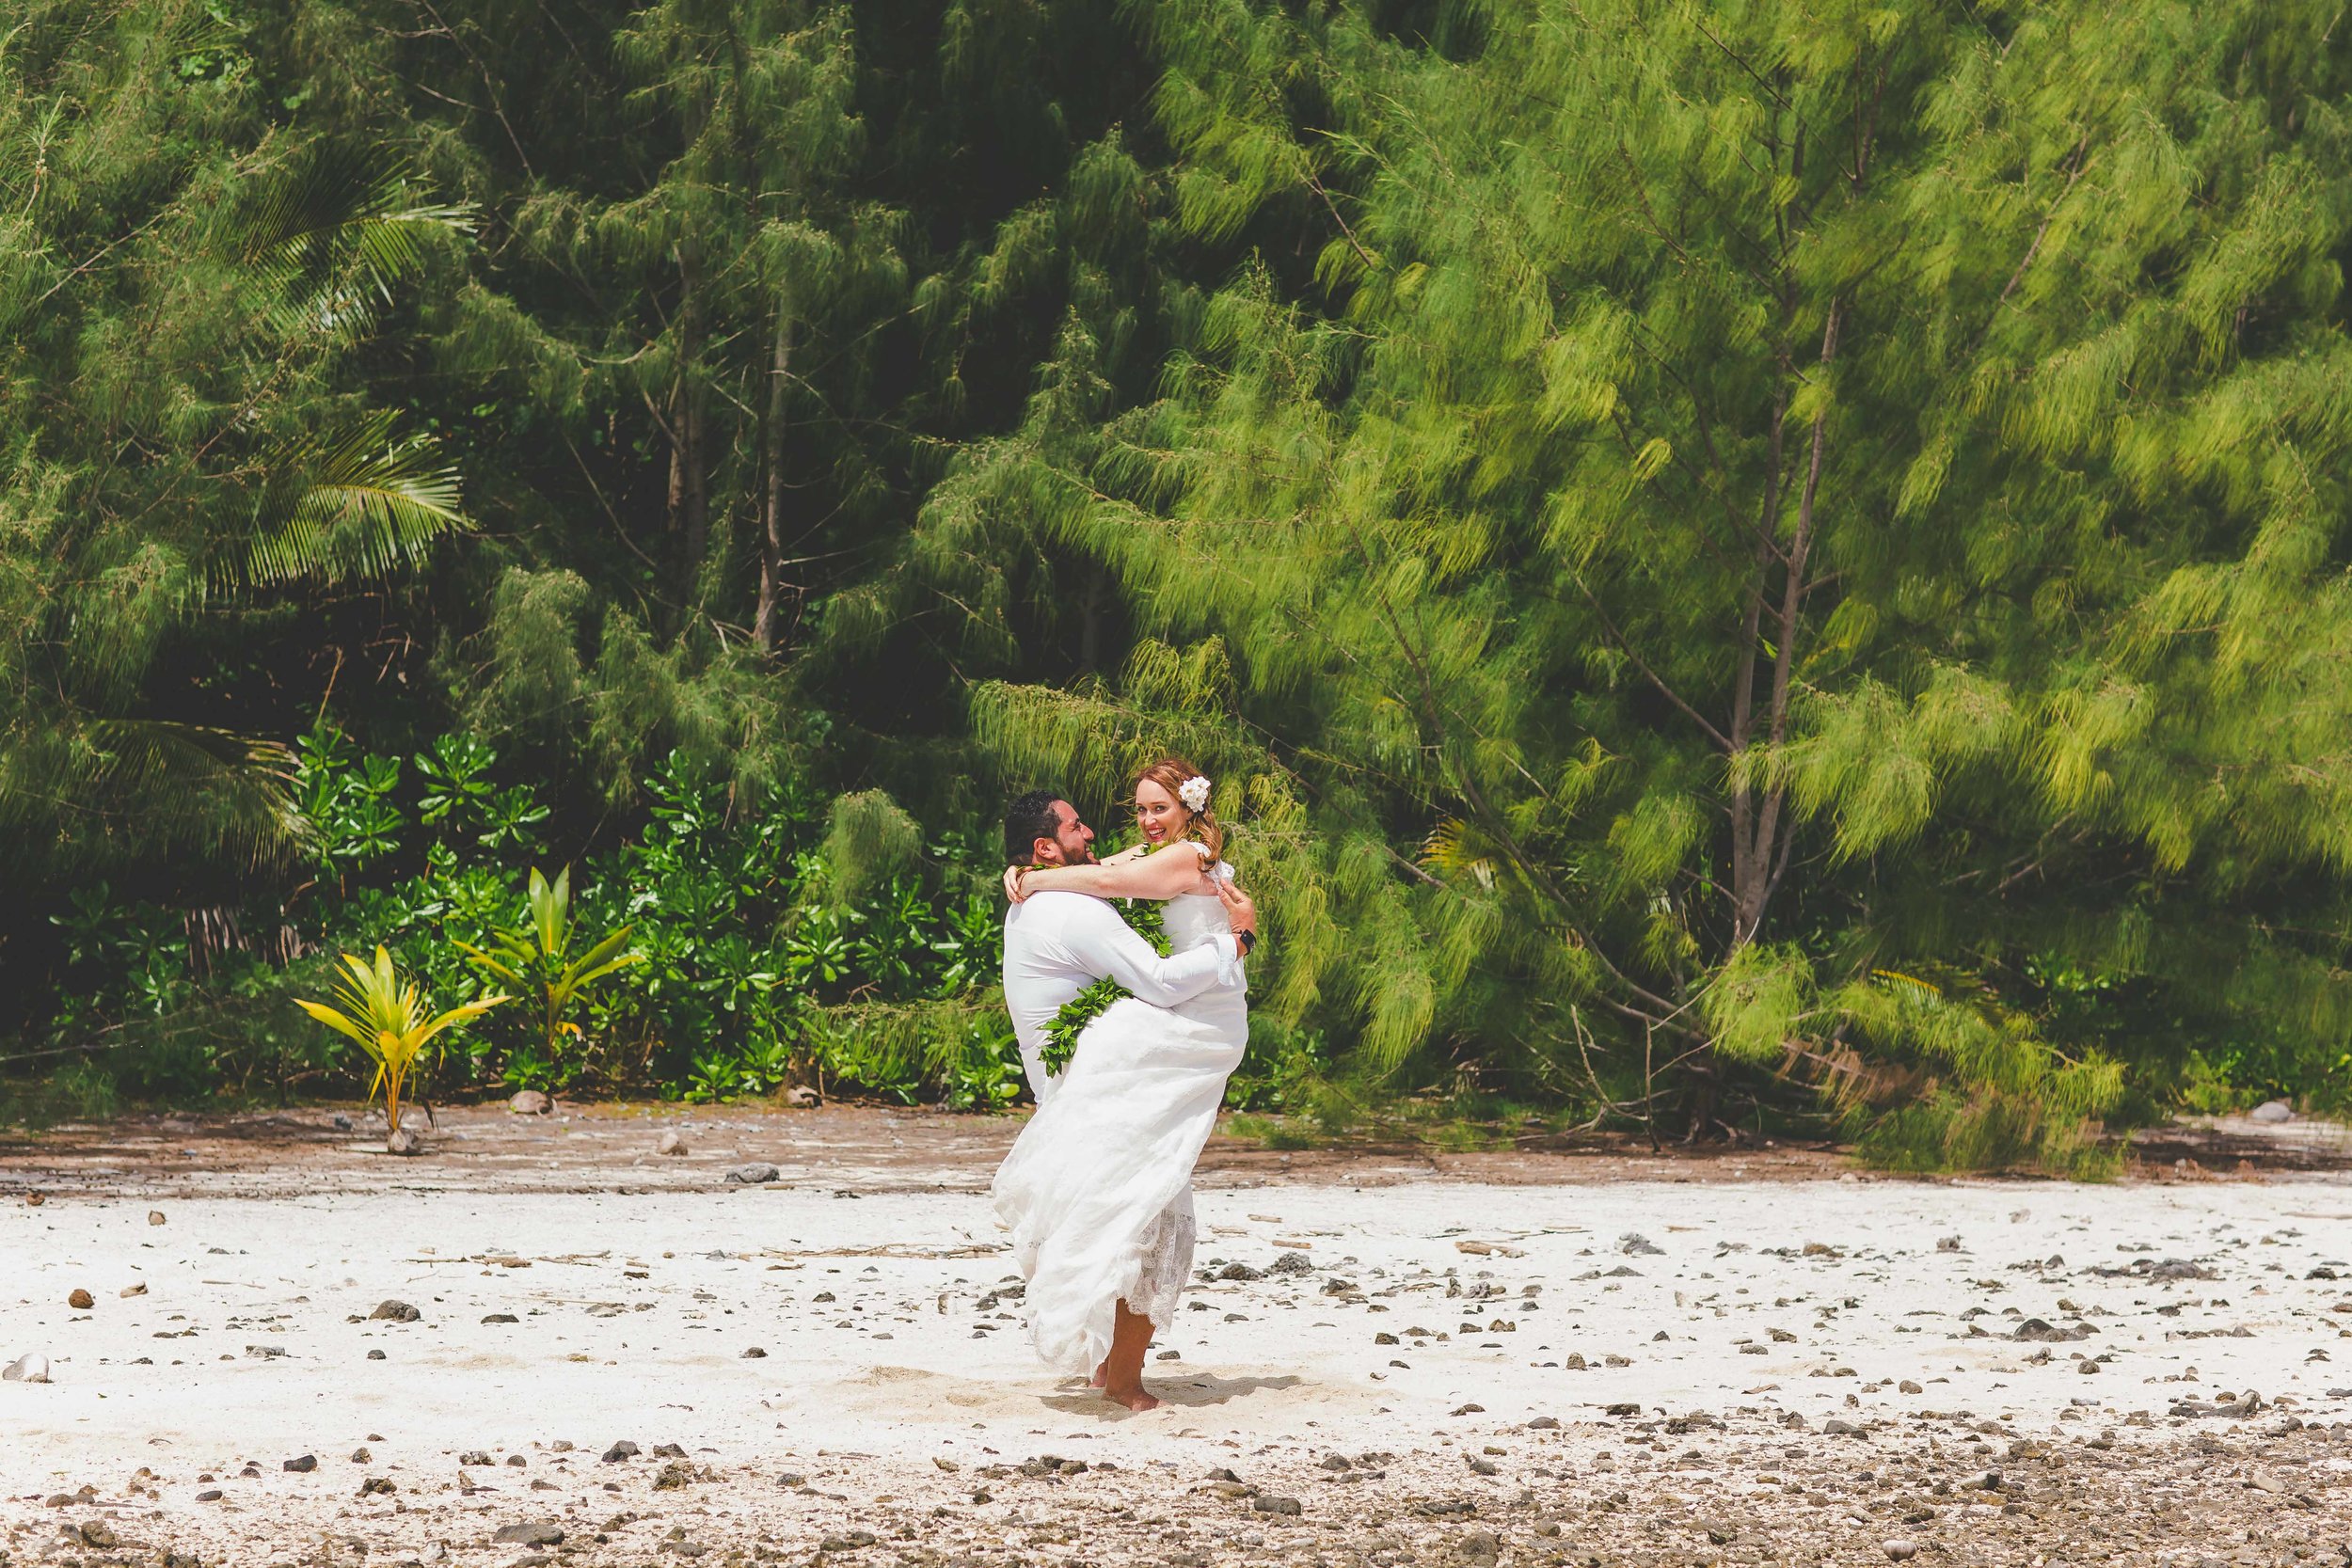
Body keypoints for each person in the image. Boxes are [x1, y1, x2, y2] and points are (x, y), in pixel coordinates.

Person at [990, 760, 1259, 1411]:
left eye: (1156, 807)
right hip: (1150, 1039)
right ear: (1046, 843)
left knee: (1130, 1203)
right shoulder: (1101, 891)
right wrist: (1240, 940)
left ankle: (1112, 1366)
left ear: (1190, 809)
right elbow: (1118, 887)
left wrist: (1031, 874)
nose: (1139, 821)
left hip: (1153, 1038)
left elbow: (1110, 871)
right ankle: (1120, 1377)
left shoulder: (1175, 861)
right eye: (1137, 808)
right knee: (1152, 1206)